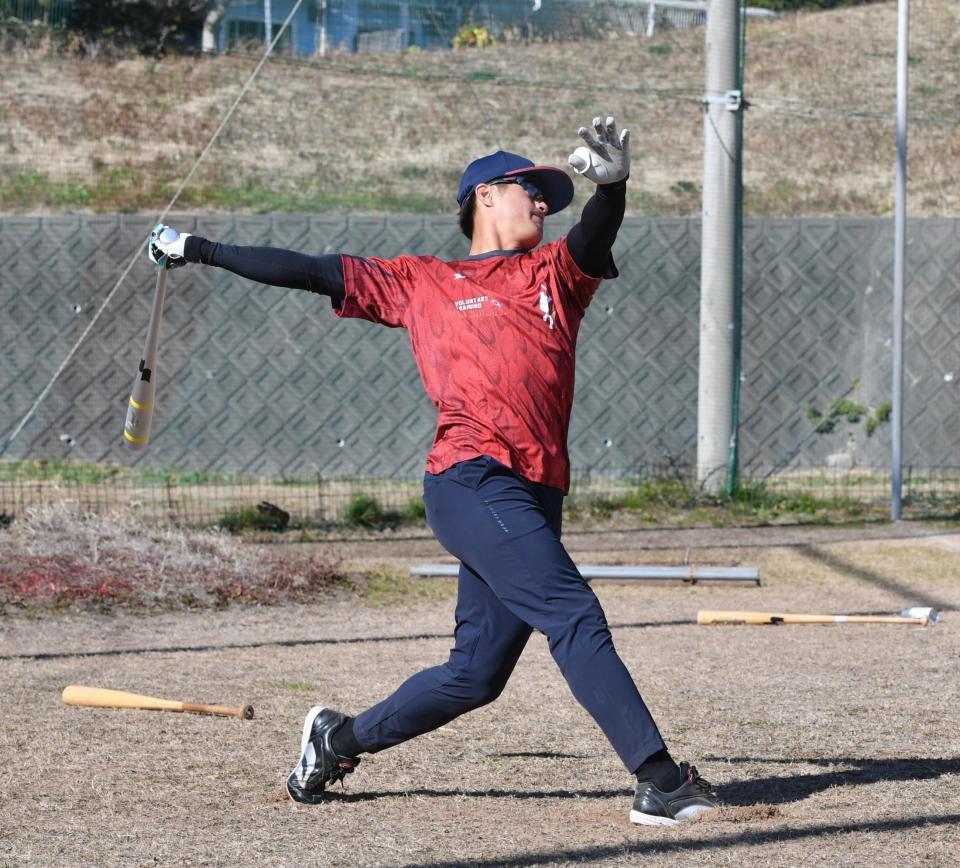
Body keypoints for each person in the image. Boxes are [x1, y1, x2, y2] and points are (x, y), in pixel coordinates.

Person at [149, 116, 720, 826]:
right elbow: (305, 268)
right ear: (484, 196)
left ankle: (337, 740)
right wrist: (197, 248)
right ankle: (659, 778)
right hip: (471, 480)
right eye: (530, 192)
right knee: (573, 612)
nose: (543, 204)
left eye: (549, 196)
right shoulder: (422, 281)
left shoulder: (554, 277)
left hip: (534, 493)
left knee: (475, 676)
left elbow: (595, 234)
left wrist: (615, 187)